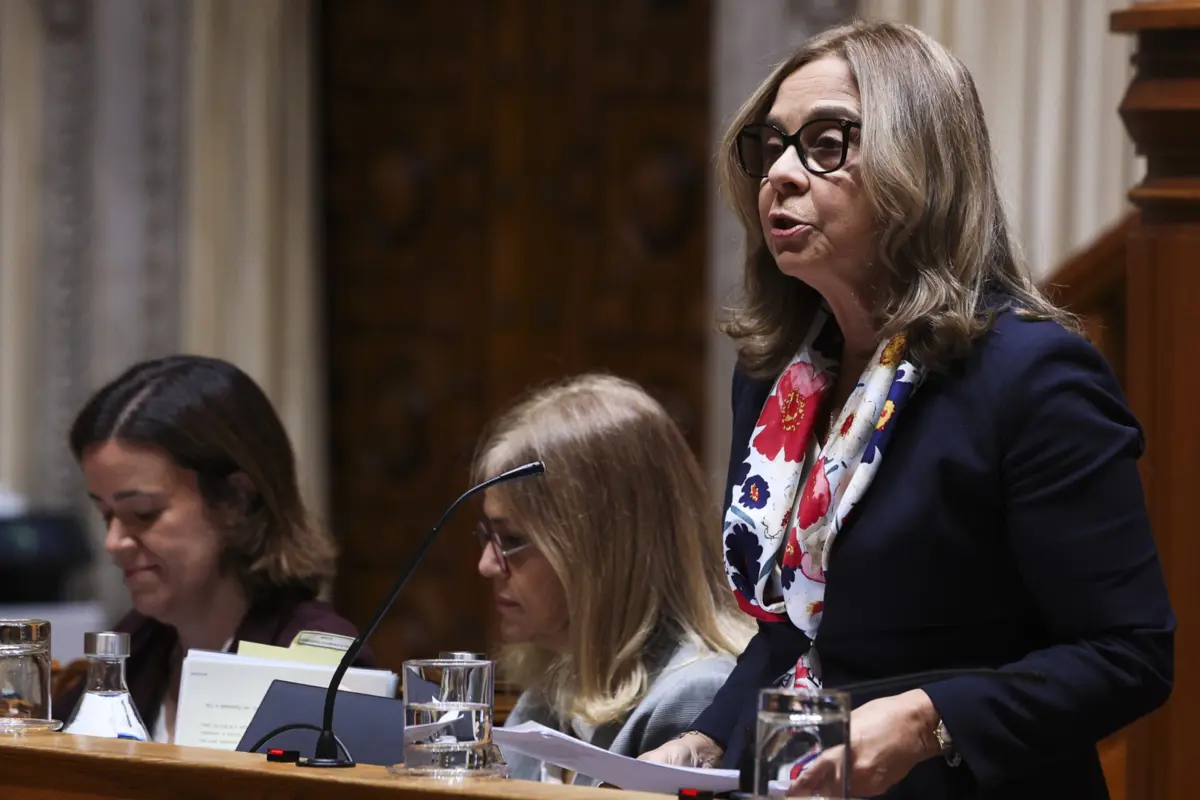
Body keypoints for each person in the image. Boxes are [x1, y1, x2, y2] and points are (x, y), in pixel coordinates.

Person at [639, 20, 1174, 799]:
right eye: (772, 145)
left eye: (826, 144)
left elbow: (1128, 655)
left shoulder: (1031, 378)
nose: (781, 175)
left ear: (918, 165)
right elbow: (795, 626)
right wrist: (702, 738)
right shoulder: (779, 384)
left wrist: (931, 719)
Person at [54, 355, 371, 742]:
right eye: (106, 515)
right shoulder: (135, 644)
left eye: (143, 513)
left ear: (235, 501)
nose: (113, 542)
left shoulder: (317, 663)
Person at [473, 374, 753, 785]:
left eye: (512, 539)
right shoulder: (553, 692)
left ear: (601, 550)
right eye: (488, 536)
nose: (486, 565)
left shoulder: (691, 699)